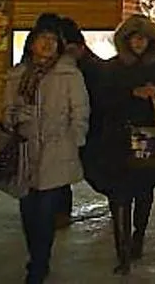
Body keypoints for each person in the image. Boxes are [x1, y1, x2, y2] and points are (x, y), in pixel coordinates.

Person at [2, 15, 89, 284]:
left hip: (56, 150)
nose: (48, 44)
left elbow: (81, 110)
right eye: (43, 39)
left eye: (53, 40)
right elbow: (6, 110)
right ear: (31, 44)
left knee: (45, 211)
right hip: (25, 150)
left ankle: (38, 265)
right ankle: (37, 256)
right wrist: (14, 118)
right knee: (28, 212)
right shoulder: (18, 74)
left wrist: (75, 139)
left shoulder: (69, 74)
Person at [93, 15, 155, 275]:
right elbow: (102, 100)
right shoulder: (112, 68)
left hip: (149, 136)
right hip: (117, 139)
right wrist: (131, 94)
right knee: (119, 195)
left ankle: (138, 237)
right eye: (134, 38)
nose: (139, 43)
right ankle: (123, 251)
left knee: (143, 191)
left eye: (143, 38)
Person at [55, 17, 101, 230]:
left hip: (83, 126)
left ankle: (61, 213)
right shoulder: (87, 64)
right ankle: (60, 213)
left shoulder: (84, 67)